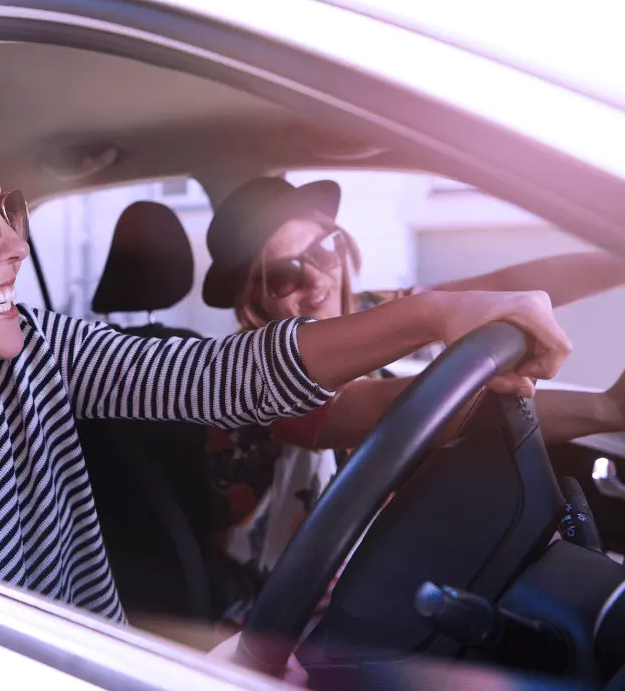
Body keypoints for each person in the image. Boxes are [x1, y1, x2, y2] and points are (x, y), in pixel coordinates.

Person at [0, 82, 572, 628]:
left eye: (11, 209)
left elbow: (223, 379)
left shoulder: (34, 355)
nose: (15, 246)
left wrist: (440, 312)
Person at [201, 176, 625, 626]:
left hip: (377, 570)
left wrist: (615, 260)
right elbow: (391, 409)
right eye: (285, 276)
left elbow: (501, 290)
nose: (317, 282)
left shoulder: (364, 309)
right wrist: (606, 409)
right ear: (253, 301)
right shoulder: (252, 377)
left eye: (323, 251)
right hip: (287, 615)